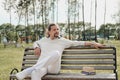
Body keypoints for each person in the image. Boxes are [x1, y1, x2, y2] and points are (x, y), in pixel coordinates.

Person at [16, 23, 104, 80]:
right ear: (49, 32)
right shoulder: (43, 40)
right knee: (35, 73)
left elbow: (79, 42)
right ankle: (32, 70)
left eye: (58, 29)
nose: (57, 31)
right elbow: (35, 42)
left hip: (53, 68)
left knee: (56, 53)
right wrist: (36, 47)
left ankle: (28, 70)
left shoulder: (63, 41)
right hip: (42, 68)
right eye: (54, 30)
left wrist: (93, 43)